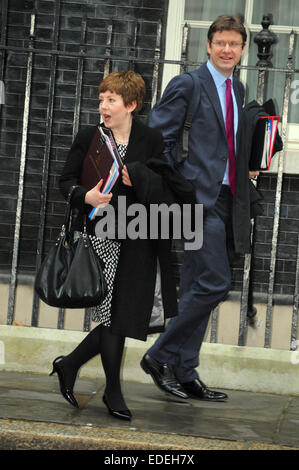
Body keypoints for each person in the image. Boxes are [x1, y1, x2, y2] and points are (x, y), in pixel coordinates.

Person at [50, 71, 196, 420]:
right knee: (114, 317)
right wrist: (86, 195)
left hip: (138, 237)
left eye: (111, 100)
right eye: (101, 99)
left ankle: (70, 365)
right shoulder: (89, 136)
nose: (103, 106)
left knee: (121, 315)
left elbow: (172, 188)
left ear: (131, 105)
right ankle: (112, 391)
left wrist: (139, 177)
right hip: (101, 235)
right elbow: (64, 181)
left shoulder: (150, 139)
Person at [141, 15, 261, 401]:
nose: (227, 50)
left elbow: (229, 141)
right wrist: (182, 184)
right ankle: (159, 356)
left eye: (234, 44)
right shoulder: (188, 84)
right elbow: (157, 140)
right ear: (208, 46)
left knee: (198, 285)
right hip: (195, 201)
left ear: (242, 50)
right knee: (214, 283)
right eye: (220, 43)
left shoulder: (238, 89)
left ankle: (185, 370)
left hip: (228, 199)